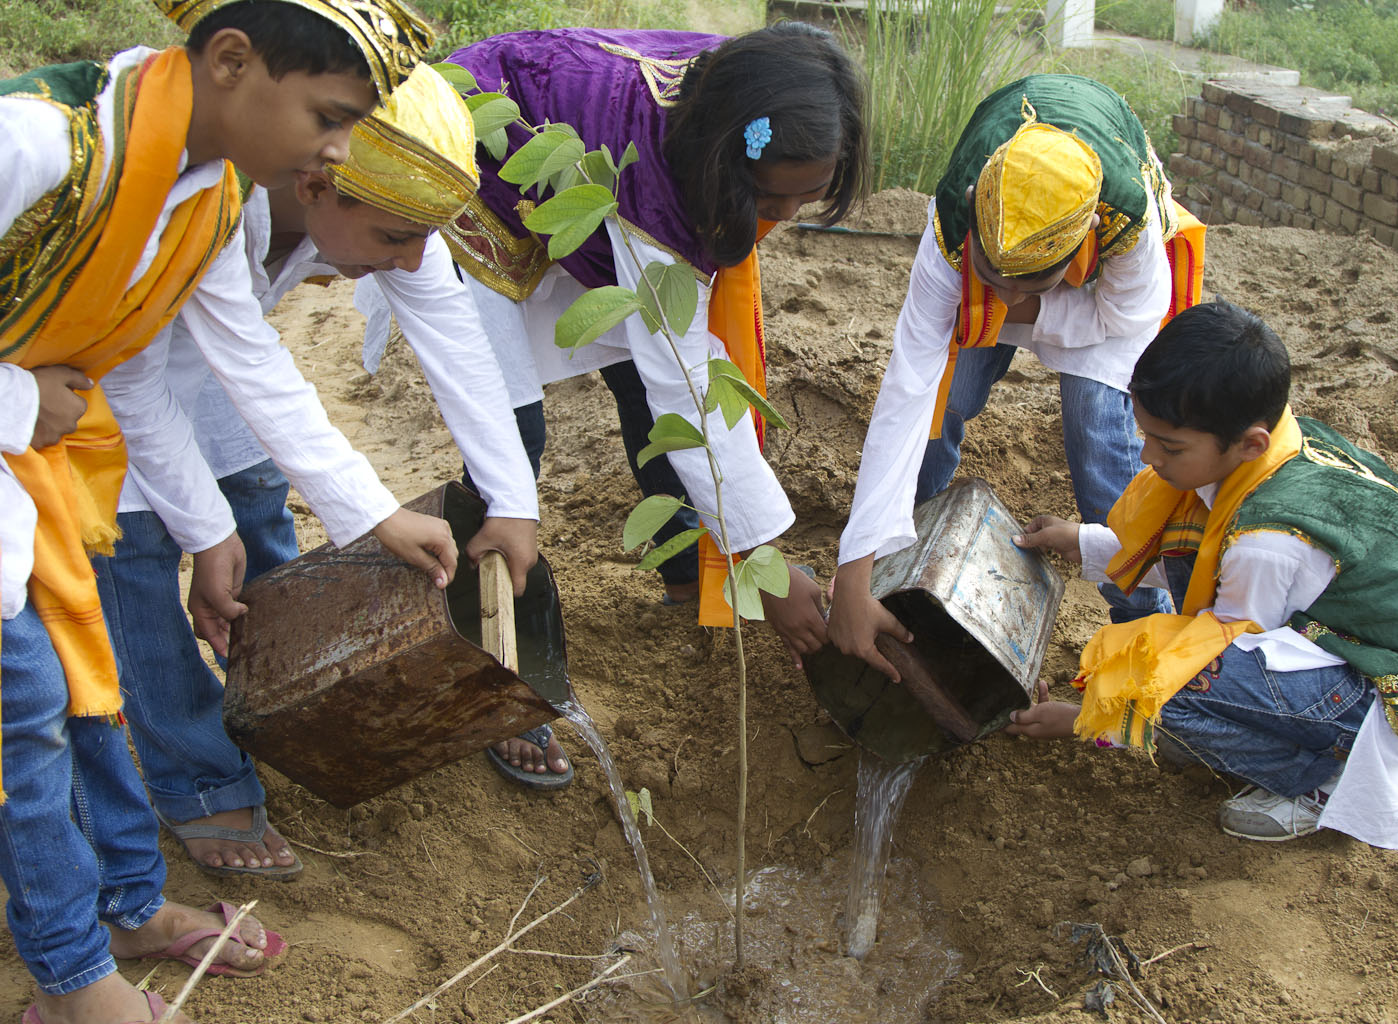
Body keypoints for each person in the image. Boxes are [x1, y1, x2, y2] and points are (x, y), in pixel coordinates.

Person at [0, 1, 448, 1021]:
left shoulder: (202, 205)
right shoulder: (35, 144)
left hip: (45, 468)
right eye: (330, 118)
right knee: (24, 713)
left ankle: (121, 904)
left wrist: (352, 518)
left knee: (93, 690)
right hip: (22, 447)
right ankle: (73, 982)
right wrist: (25, 402)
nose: (334, 153)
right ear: (233, 61)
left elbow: (225, 367)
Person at [93, 62, 560, 883]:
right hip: (97, 376)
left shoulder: (375, 200)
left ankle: (285, 705)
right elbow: (232, 362)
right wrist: (361, 515)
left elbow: (455, 336)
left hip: (208, 377)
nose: (411, 259)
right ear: (316, 184)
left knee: (261, 527)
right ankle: (198, 776)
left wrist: (513, 501)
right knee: (134, 563)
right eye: (392, 238)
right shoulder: (200, 194)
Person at [443, 23, 867, 666]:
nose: (779, 217)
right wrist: (762, 558)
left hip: (579, 169)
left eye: (804, 200)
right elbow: (685, 376)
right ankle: (492, 650)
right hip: (479, 155)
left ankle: (685, 568)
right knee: (510, 433)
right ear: (731, 159)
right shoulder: (665, 187)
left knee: (645, 384)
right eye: (768, 198)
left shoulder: (762, 95)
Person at [1011, 302, 1398, 848]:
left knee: (1177, 686)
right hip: (1371, 639)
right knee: (1183, 656)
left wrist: (1084, 718)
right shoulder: (1273, 448)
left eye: (1170, 445)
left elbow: (1220, 651)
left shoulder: (1267, 542)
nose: (1148, 456)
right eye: (1146, 435)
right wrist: (1082, 542)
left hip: (1393, 690)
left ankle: (1322, 777)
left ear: (1248, 441)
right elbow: (1199, 557)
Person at [829, 74, 1203, 682]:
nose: (1001, 293)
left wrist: (1022, 308)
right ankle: (901, 572)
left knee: (1100, 447)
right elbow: (908, 390)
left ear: (1079, 250)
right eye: (990, 274)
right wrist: (853, 569)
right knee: (940, 410)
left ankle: (1142, 632)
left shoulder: (1125, 226)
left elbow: (1127, 316)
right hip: (1011, 286)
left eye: (1021, 282)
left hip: (1104, 316)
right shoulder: (955, 226)